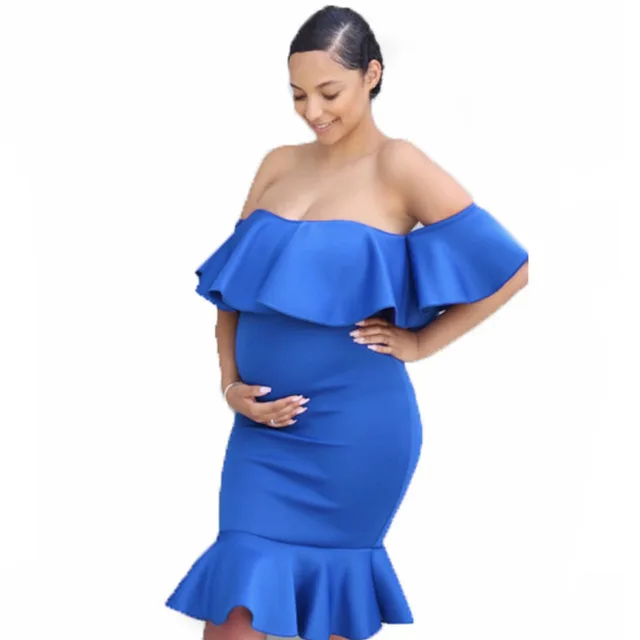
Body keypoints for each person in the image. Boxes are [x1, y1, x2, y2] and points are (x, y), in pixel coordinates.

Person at [165, 5, 529, 640]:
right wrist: (230, 386)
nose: (312, 111)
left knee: (325, 613)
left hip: (354, 433)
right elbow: (232, 294)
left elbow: (509, 269)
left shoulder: (399, 165)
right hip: (261, 437)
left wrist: (421, 342)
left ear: (372, 75)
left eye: (328, 92)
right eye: (297, 94)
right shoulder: (278, 163)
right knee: (233, 618)